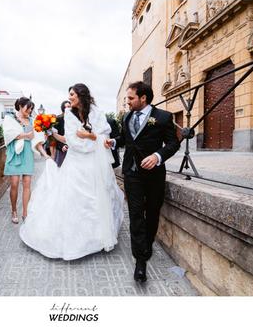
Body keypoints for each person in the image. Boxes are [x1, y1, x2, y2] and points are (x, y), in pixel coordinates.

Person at [20, 83, 124, 260]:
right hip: (76, 164)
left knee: (97, 198)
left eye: (72, 95)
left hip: (95, 165)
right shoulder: (68, 114)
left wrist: (90, 137)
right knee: (74, 200)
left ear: (81, 95)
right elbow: (73, 141)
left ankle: (97, 239)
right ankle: (75, 241)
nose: (69, 98)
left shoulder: (97, 112)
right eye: (69, 95)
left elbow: (105, 134)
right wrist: (91, 140)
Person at [105, 81, 180, 282]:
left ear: (143, 98)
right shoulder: (128, 116)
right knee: (136, 214)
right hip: (132, 173)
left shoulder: (163, 117)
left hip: (154, 174)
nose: (127, 102)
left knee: (153, 212)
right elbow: (126, 139)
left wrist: (158, 156)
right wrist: (114, 142)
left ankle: (147, 244)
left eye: (130, 98)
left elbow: (173, 143)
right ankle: (140, 259)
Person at [3, 97, 48, 224]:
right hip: (14, 153)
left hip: (27, 153)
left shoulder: (33, 121)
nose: (30, 110)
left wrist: (45, 154)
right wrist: (25, 135)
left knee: (27, 184)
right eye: (28, 108)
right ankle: (13, 211)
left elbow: (37, 140)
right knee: (15, 184)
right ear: (21, 106)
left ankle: (25, 213)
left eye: (32, 108)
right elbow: (8, 135)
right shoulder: (10, 119)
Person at [52, 100, 71, 167]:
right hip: (62, 149)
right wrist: (61, 146)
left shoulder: (75, 119)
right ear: (63, 109)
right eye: (66, 107)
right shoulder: (58, 119)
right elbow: (54, 136)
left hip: (73, 148)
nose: (68, 109)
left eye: (69, 106)